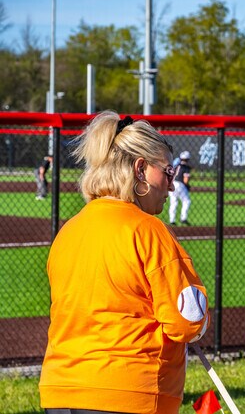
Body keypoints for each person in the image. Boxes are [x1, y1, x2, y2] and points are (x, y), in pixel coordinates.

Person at [39, 112, 209, 414]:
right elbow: (187, 321)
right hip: (130, 392)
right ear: (140, 169)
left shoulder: (69, 231)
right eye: (167, 173)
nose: (171, 186)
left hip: (60, 390)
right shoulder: (149, 231)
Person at [169, 150, 192, 225]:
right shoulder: (186, 168)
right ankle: (183, 218)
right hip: (180, 185)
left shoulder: (176, 165)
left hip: (173, 183)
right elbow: (185, 180)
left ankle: (172, 220)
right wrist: (188, 186)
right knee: (186, 201)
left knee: (173, 202)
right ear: (188, 159)